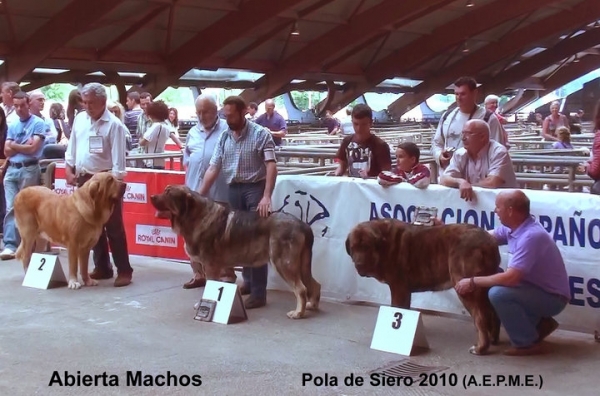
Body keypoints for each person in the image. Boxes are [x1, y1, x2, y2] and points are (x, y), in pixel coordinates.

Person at [455, 190, 570, 356]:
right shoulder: (513, 228)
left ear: (510, 210)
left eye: (498, 207)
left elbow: (511, 279)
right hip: (534, 289)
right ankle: (539, 325)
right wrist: (446, 231)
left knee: (498, 293)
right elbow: (480, 238)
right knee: (494, 283)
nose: (495, 211)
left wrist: (472, 281)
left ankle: (526, 343)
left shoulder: (530, 236)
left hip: (552, 298)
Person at [198, 95, 277, 309]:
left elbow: (271, 165)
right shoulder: (224, 137)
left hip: (254, 189)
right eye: (226, 115)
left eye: (231, 115)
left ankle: (259, 293)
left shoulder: (261, 134)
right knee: (239, 240)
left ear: (244, 112)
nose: (228, 119)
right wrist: (199, 194)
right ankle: (248, 283)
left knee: (257, 240)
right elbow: (214, 167)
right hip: (233, 189)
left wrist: (266, 195)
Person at [64, 83, 133, 287]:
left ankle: (124, 270)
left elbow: (119, 163)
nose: (87, 106)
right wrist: (69, 168)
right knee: (90, 227)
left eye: (91, 103)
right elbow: (72, 148)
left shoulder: (114, 125)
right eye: (84, 102)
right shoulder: (79, 119)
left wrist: (114, 186)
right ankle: (102, 267)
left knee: (114, 227)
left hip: (106, 181)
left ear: (103, 102)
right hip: (84, 180)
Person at [181, 94, 236, 289]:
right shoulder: (193, 132)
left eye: (206, 111)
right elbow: (187, 159)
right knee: (192, 235)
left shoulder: (227, 130)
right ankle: (198, 273)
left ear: (216, 111)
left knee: (221, 238)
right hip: (194, 194)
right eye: (198, 112)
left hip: (219, 194)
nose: (202, 116)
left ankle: (226, 274)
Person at [0, 91, 45, 260]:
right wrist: (22, 145)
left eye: (22, 106)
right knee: (11, 206)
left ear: (28, 104)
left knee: (26, 208)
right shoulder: (12, 125)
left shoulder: (38, 123)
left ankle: (25, 244)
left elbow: (34, 148)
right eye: (16, 106)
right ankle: (10, 245)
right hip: (12, 168)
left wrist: (14, 145)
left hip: (29, 168)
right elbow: (6, 151)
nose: (19, 109)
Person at [431, 76, 506, 173]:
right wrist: (439, 156)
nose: (459, 98)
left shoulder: (488, 118)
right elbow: (437, 143)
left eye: (463, 94)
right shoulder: (447, 116)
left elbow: (497, 150)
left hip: (476, 177)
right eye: (456, 94)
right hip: (448, 176)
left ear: (474, 93)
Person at [440, 119, 517, 201]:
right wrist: (460, 182)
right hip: (475, 207)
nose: (463, 138)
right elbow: (444, 179)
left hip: (504, 205)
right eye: (463, 133)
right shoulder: (460, 154)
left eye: (468, 133)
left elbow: (492, 182)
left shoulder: (498, 152)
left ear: (482, 137)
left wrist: (469, 187)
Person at [333, 104, 391, 178]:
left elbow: (386, 172)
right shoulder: (346, 141)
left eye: (364, 124)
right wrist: (336, 176)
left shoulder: (380, 145)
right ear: (352, 122)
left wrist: (370, 177)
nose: (359, 128)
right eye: (356, 124)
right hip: (352, 185)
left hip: (372, 187)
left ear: (371, 123)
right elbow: (342, 166)